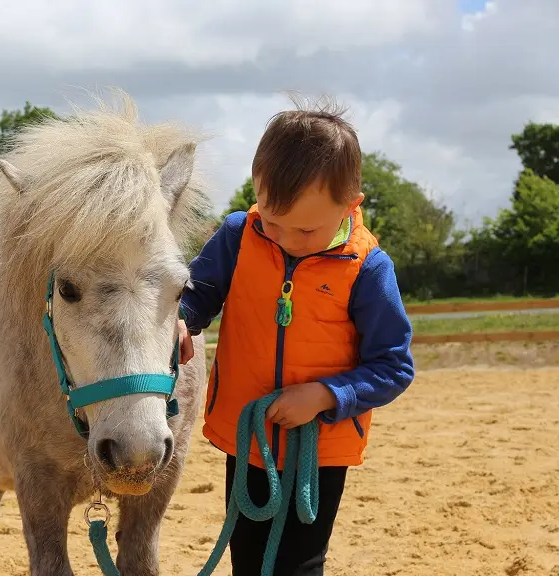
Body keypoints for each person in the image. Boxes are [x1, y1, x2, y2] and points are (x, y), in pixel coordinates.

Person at [177, 102, 415, 575]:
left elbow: (394, 367)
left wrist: (325, 395)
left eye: (305, 229)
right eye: (272, 220)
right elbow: (196, 293)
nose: (286, 238)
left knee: (300, 564)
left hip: (318, 449)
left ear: (351, 205)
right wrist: (181, 319)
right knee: (247, 559)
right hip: (248, 435)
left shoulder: (367, 268)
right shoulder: (238, 235)